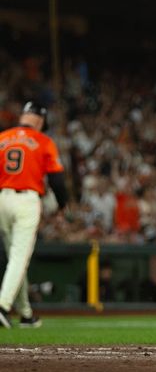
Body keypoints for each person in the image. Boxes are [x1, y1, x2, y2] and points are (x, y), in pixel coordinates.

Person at [0, 101, 68, 329]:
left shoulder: (3, 137)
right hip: (26, 200)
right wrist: (62, 205)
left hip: (2, 197)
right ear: (39, 120)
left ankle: (26, 314)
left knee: (14, 258)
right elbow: (57, 180)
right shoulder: (43, 141)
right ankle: (2, 306)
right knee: (19, 257)